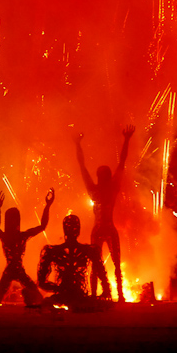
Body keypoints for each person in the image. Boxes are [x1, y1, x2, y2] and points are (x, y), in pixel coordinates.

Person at [74, 125, 134, 302]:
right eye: (101, 174)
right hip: (101, 229)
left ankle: (120, 294)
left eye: (102, 174)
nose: (101, 176)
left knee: (114, 263)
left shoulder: (106, 189)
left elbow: (121, 163)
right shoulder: (97, 190)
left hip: (105, 228)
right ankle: (97, 294)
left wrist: (127, 140)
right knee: (97, 263)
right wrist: (77, 145)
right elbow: (82, 167)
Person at [0, 188, 54, 307]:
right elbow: (42, 226)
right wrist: (47, 206)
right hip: (15, 269)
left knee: (2, 293)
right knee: (34, 293)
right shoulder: (20, 236)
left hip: (13, 269)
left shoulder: (8, 236)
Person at [37, 214, 111, 310]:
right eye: (69, 226)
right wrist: (59, 289)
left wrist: (106, 291)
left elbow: (102, 274)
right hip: (67, 296)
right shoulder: (53, 251)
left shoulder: (89, 251)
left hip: (77, 296)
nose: (72, 229)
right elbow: (41, 281)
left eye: (74, 227)